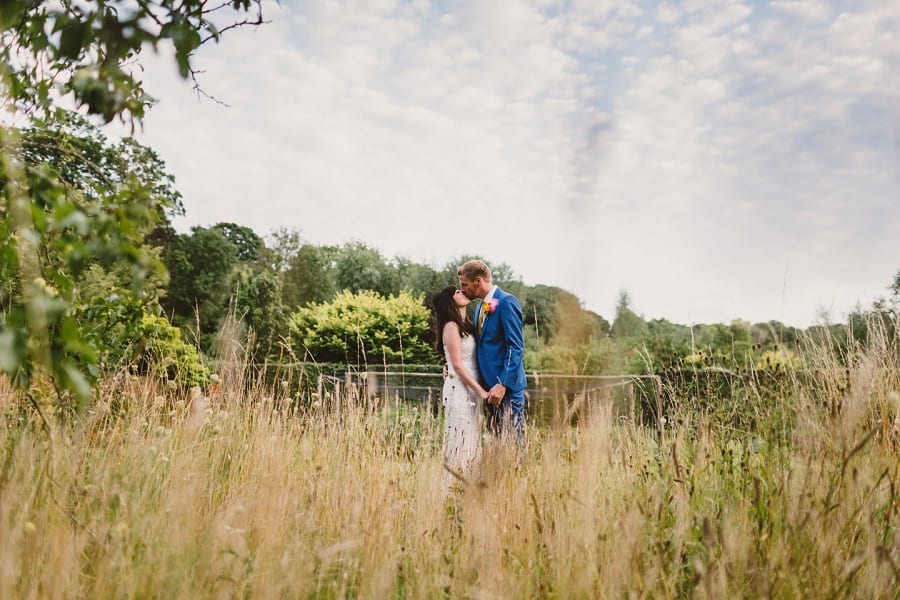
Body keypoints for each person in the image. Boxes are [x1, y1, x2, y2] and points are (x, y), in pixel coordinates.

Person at [457, 259, 527, 442]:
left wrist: (503, 384)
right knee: (496, 443)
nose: (463, 290)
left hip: (506, 389)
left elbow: (515, 347)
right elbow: (477, 347)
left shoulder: (507, 302)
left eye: (465, 285)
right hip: (488, 390)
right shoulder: (479, 307)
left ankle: (517, 472)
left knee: (512, 443)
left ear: (478, 281)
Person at [430, 285, 489, 491]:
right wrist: (482, 392)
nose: (463, 292)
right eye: (457, 292)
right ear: (450, 302)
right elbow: (457, 365)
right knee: (460, 441)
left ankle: (469, 489)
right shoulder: (451, 327)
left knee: (472, 440)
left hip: (471, 389)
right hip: (460, 390)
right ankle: (452, 492)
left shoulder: (466, 325)